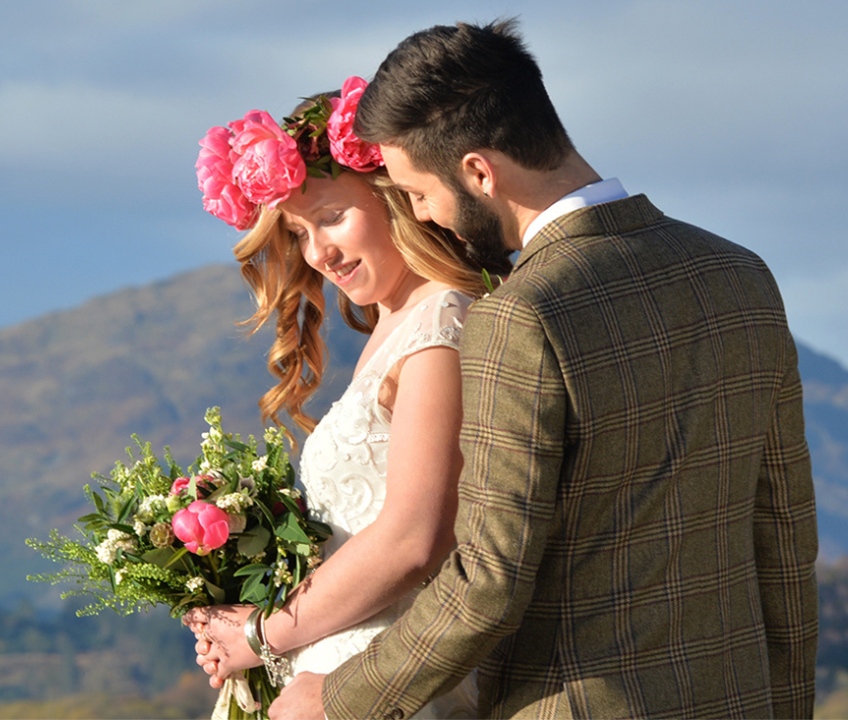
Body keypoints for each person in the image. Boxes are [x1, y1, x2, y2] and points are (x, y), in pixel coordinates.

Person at [269, 19, 819, 720]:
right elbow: (784, 535)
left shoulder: (521, 315)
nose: (424, 214)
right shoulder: (740, 276)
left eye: (416, 192)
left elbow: (486, 581)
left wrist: (339, 698)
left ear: (478, 171)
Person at [185, 76, 513, 718]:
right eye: (302, 232)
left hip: (386, 679)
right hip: (331, 668)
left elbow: (414, 539)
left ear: (397, 198)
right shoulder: (395, 328)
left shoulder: (442, 326)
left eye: (333, 217)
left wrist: (260, 634)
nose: (320, 252)